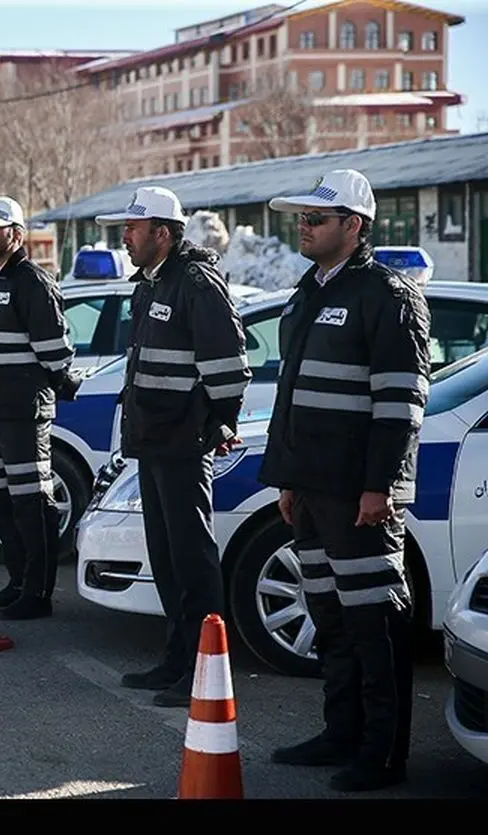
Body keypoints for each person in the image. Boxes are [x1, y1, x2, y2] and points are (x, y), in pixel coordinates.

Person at [259, 169, 429, 792]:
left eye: (316, 219)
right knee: (330, 616)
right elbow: (290, 396)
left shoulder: (388, 294)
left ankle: (382, 755)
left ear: (353, 227)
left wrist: (380, 485)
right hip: (310, 489)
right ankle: (341, 733)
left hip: (362, 495)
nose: (303, 227)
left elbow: (402, 402)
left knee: (374, 624)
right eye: (301, 218)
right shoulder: (308, 290)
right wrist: (286, 477)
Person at [95, 186, 250, 706]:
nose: (125, 237)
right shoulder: (150, 285)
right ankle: (178, 658)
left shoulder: (196, 282)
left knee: (192, 560)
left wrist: (216, 423)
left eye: (133, 229)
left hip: (183, 444)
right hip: (153, 442)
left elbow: (229, 366)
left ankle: (205, 671)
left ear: (163, 233)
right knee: (165, 558)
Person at [0, 196, 76, 620]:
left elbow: (56, 354)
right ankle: (16, 581)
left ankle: (38, 592)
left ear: (16, 233)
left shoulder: (33, 282)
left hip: (25, 414)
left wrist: (42, 386)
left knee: (32, 503)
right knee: (0, 500)